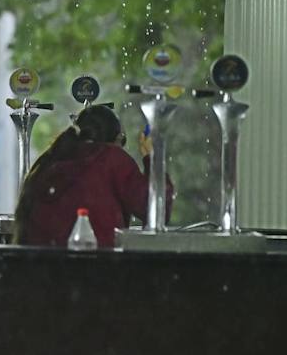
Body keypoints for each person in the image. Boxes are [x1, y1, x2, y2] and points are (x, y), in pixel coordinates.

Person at [15, 105, 173, 248]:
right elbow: (154, 209)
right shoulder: (111, 158)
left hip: (40, 269)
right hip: (93, 269)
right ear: (117, 138)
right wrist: (153, 157)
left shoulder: (50, 159)